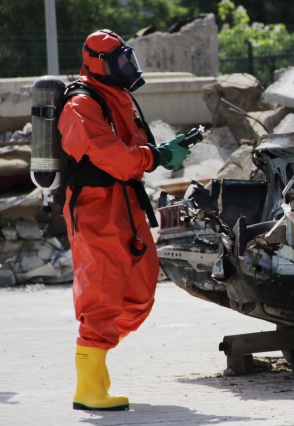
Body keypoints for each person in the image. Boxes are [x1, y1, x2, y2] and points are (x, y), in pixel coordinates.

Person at [58, 29, 191, 411]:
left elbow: (132, 151)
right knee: (101, 288)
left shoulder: (118, 97)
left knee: (140, 288)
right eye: (120, 62)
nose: (128, 68)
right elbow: (113, 157)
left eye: (128, 59)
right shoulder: (80, 104)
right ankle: (89, 384)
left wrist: (160, 151)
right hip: (96, 207)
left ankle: (95, 353)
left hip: (126, 203)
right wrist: (157, 157)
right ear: (99, 63)